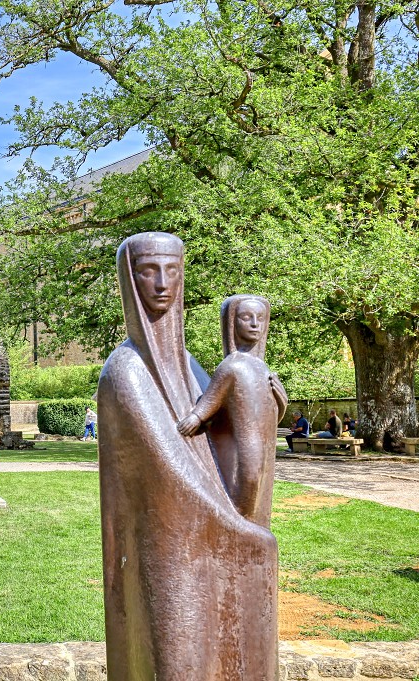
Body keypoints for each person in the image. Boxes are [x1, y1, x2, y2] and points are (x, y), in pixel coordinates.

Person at [98, 232, 277, 680]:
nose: (161, 283)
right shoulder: (126, 370)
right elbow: (168, 470)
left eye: (171, 271)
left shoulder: (192, 365)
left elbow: (218, 438)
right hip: (170, 546)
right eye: (148, 271)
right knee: (178, 651)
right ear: (130, 279)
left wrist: (263, 402)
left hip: (203, 533)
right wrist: (239, 528)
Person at [177, 295, 287, 527]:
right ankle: (238, 531)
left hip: (265, 442)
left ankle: (253, 535)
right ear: (233, 324)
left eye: (260, 318)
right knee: (247, 483)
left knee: (260, 492)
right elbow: (212, 399)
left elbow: (270, 414)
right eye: (246, 318)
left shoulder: (262, 367)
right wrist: (196, 417)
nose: (255, 324)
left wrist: (281, 399)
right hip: (244, 443)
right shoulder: (232, 366)